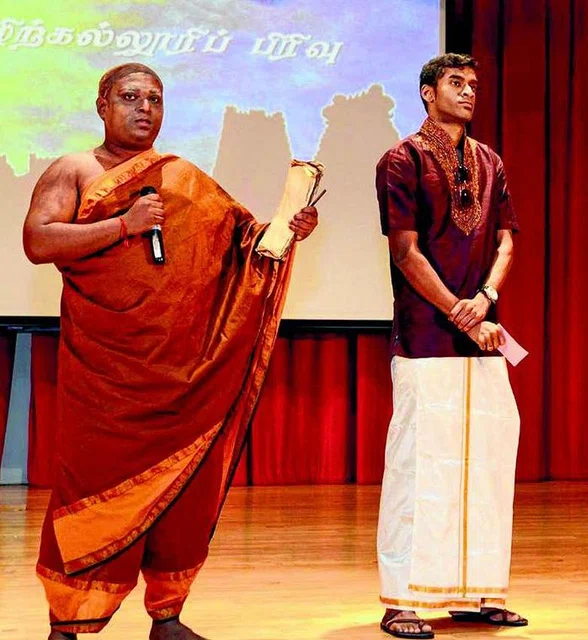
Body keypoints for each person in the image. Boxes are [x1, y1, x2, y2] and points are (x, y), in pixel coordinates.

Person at [22, 63, 318, 639]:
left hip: (179, 371)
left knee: (186, 491)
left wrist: (285, 230)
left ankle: (168, 615)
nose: (144, 108)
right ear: (102, 105)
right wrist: (124, 225)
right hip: (106, 369)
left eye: (155, 99)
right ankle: (67, 623)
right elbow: (38, 240)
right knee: (91, 483)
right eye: (130, 97)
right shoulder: (74, 169)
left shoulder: (183, 177)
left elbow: (242, 245)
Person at [374, 53, 526, 639]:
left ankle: (479, 593)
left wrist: (484, 298)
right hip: (425, 337)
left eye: (473, 85)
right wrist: (458, 312)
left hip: (484, 333)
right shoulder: (402, 159)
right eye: (456, 83)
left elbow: (507, 241)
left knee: (487, 464)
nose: (468, 92)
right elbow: (405, 250)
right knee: (419, 466)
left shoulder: (490, 161)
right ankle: (402, 601)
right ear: (426, 92)